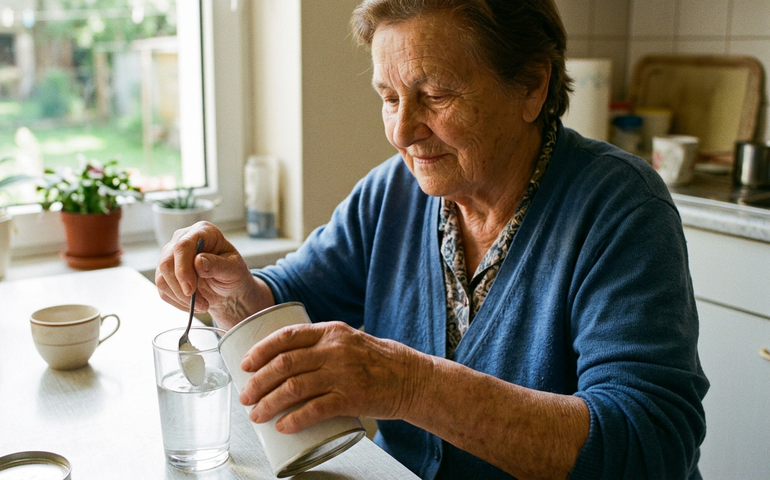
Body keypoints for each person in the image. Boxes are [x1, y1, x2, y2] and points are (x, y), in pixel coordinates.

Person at [155, 1, 709, 478]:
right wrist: (233, 293)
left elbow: (649, 448)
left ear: (532, 84)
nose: (401, 131)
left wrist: (410, 385)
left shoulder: (621, 207)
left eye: (435, 95)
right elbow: (293, 295)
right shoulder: (391, 193)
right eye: (389, 97)